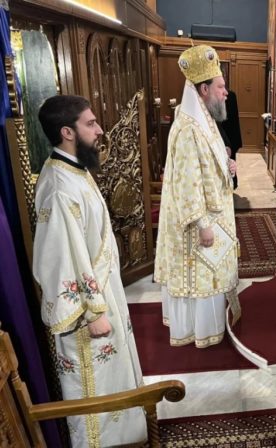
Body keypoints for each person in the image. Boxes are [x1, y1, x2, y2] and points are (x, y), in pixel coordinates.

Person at [33, 95, 146, 447]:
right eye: (91, 123)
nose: (99, 131)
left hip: (103, 292)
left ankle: (123, 438)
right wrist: (93, 312)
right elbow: (59, 257)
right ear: (67, 132)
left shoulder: (75, 168)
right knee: (93, 387)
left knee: (114, 376)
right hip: (87, 311)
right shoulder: (59, 187)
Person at [154, 45, 241, 349]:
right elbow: (187, 183)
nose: (226, 93)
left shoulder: (204, 119)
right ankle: (199, 329)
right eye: (221, 87)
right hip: (199, 223)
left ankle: (211, 325)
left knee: (212, 274)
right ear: (204, 90)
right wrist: (203, 224)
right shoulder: (188, 128)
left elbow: (209, 160)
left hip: (213, 212)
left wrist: (227, 164)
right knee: (201, 276)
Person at [218, 88, 242, 189]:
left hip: (227, 135)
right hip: (232, 135)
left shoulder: (229, 96)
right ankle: (233, 183)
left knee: (229, 163)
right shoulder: (231, 95)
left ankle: (231, 183)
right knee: (230, 161)